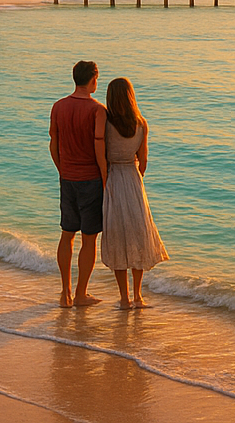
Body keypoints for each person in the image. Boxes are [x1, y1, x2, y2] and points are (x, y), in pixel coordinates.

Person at [101, 76, 168, 309]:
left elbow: (101, 154)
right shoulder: (141, 123)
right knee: (138, 236)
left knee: (118, 238)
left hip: (113, 179)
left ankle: (124, 298)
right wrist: (135, 175)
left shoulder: (105, 124)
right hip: (133, 179)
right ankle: (138, 296)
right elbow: (144, 161)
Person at [49, 60, 107, 307]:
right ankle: (81, 292)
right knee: (89, 239)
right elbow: (99, 148)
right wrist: (106, 180)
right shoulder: (98, 110)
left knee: (66, 233)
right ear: (93, 78)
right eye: (97, 78)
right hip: (91, 180)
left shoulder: (58, 106)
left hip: (67, 177)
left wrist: (62, 169)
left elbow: (53, 142)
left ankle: (65, 293)